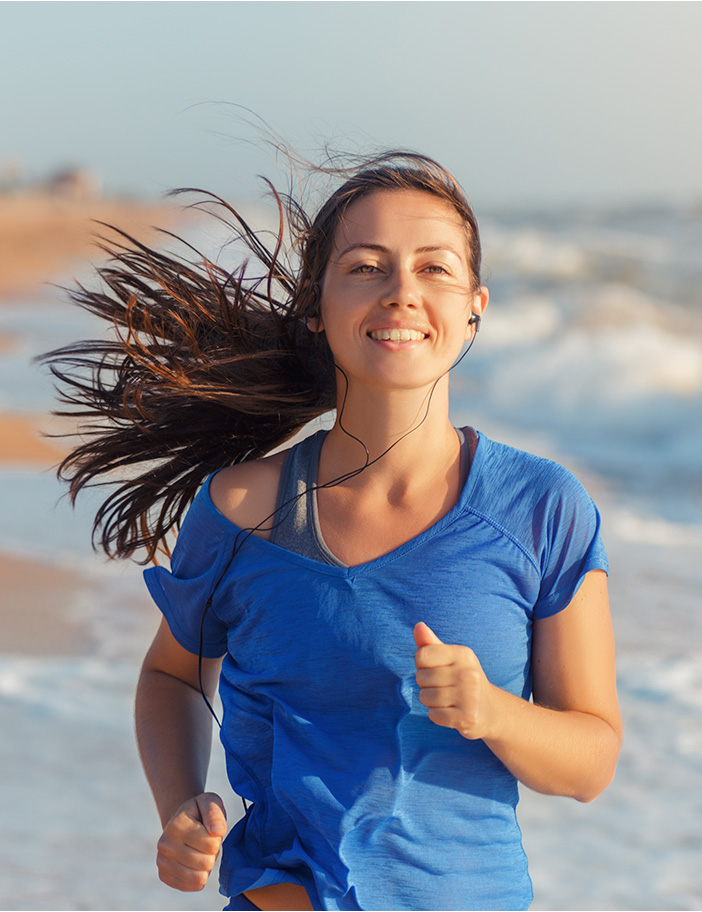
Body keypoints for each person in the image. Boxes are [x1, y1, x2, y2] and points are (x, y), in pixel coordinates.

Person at [42, 151, 622, 911]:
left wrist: (492, 712)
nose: (402, 291)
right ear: (317, 306)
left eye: (434, 269)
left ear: (475, 306)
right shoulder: (241, 509)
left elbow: (590, 762)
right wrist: (179, 803)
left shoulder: (541, 507)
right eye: (366, 267)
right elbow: (173, 676)